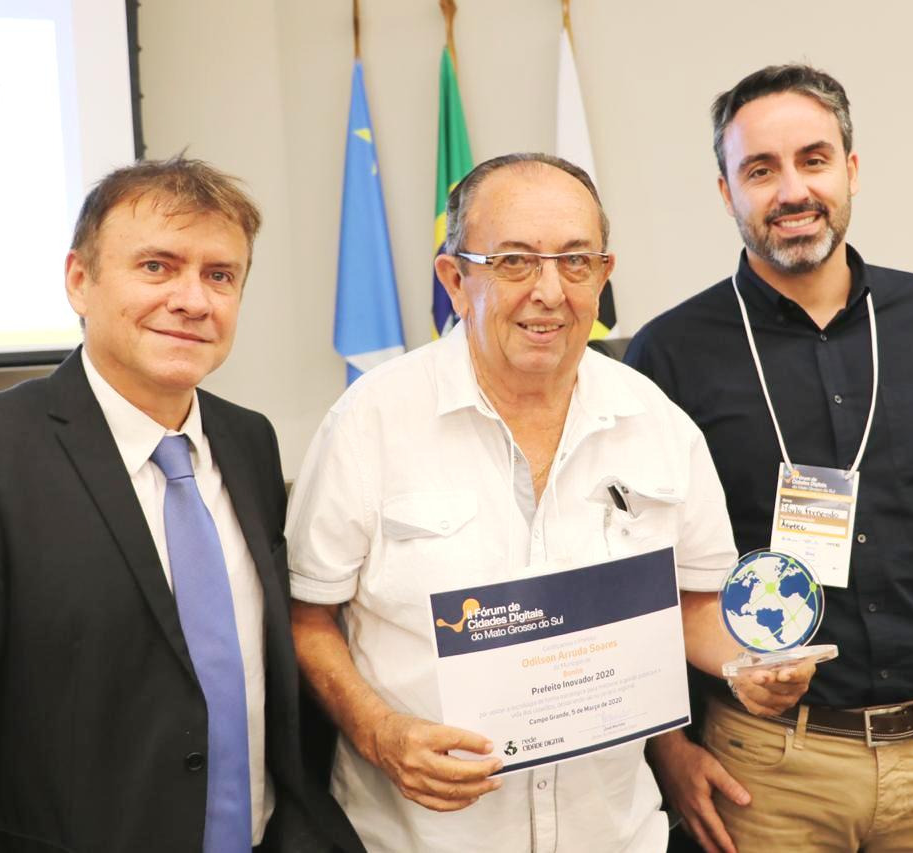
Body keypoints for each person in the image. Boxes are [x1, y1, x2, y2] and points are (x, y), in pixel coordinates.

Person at [285, 153, 814, 852]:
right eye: (513, 262)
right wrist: (380, 735)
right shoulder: (370, 422)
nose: (549, 290)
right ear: (455, 277)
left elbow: (694, 603)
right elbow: (306, 616)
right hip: (420, 838)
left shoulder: (657, 424)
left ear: (603, 275)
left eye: (575, 261)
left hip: (614, 833)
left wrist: (749, 664)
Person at [0, 157, 363, 853]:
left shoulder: (249, 441)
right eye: (157, 266)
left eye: (220, 275)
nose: (192, 299)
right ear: (79, 281)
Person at [626, 65, 913, 853]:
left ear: (850, 171)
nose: (792, 189)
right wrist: (667, 747)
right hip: (765, 764)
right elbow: (638, 569)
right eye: (761, 169)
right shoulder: (669, 353)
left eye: (813, 159)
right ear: (726, 192)